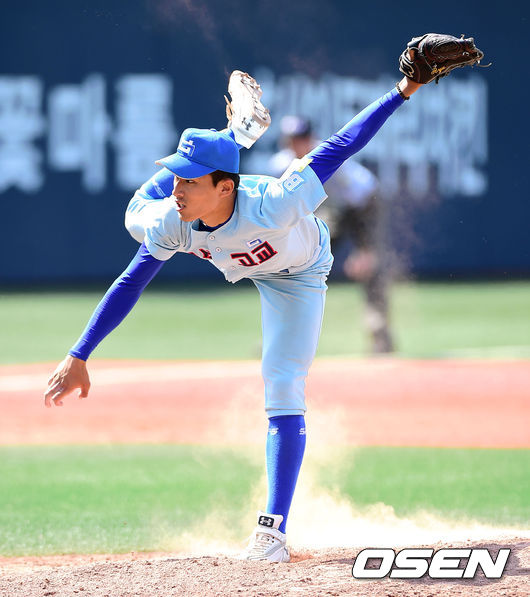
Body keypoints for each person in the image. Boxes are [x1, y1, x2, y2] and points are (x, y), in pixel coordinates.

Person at [44, 62, 423, 562]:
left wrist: (404, 88)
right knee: (135, 213)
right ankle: (235, 135)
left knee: (282, 382)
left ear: (225, 187)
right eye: (176, 176)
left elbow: (341, 145)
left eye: (189, 180)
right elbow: (131, 282)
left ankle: (273, 531)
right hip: (245, 255)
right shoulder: (173, 220)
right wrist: (80, 353)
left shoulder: (276, 202)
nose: (177, 189)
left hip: (298, 273)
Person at [268, 116, 394, 353]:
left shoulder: (329, 158)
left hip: (362, 205)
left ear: (310, 138)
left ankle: (380, 336)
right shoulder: (280, 164)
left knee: (370, 266)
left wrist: (365, 248)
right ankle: (283, 336)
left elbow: (361, 202)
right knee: (300, 266)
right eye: (291, 140)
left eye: (301, 138)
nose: (296, 144)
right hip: (327, 211)